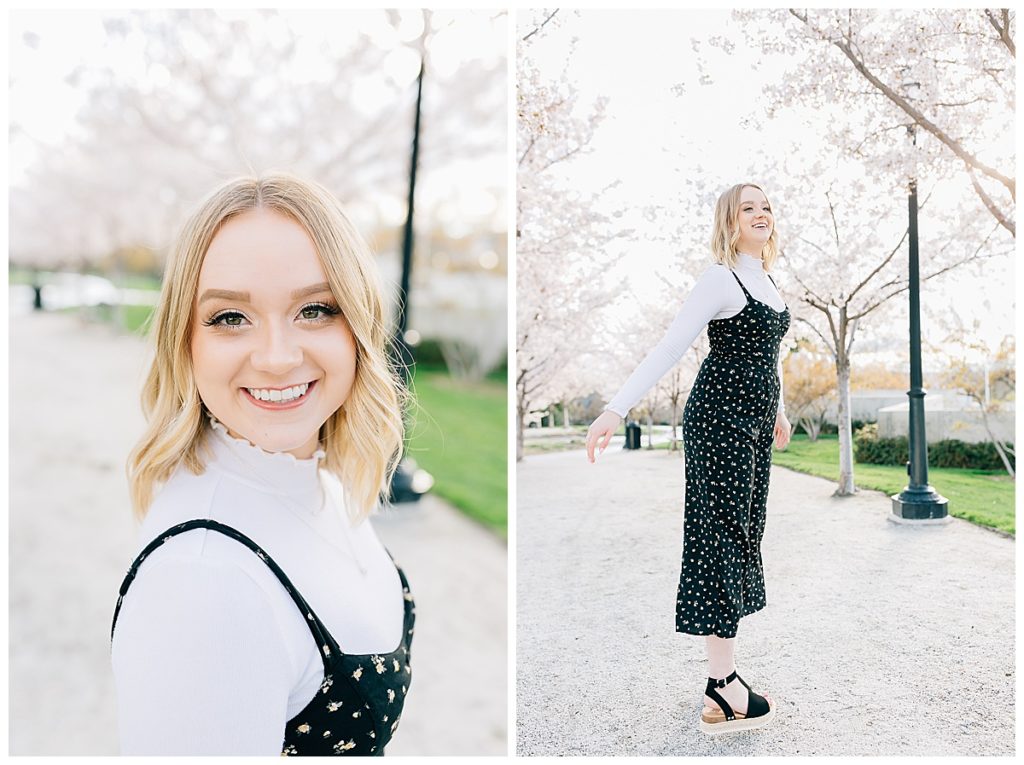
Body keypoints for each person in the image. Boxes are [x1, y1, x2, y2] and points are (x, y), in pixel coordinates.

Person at [110, 174, 413, 755]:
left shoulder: (314, 478)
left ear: (359, 325)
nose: (277, 357)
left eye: (316, 309)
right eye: (230, 317)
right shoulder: (204, 581)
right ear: (185, 341)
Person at [585, 183, 791, 735]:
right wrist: (617, 409)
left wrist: (780, 407)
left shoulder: (767, 282)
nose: (761, 214)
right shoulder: (718, 278)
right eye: (748, 207)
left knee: (745, 533)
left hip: (752, 422)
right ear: (729, 220)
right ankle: (722, 687)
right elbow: (671, 345)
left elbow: (768, 354)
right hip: (719, 421)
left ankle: (725, 678)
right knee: (720, 537)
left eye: (766, 205)